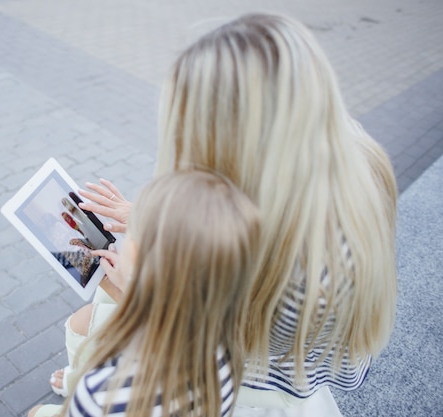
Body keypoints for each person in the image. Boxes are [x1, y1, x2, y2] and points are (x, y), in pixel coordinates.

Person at [49, 12, 398, 414]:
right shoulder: (356, 160)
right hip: (286, 352)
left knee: (85, 322)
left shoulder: (291, 270)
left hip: (253, 385)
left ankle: (78, 384)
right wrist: (150, 217)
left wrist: (143, 301)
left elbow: (210, 356)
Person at [29, 170, 261, 417]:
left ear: (138, 254)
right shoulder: (227, 341)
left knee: (35, 412)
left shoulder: (99, 394)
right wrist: (124, 285)